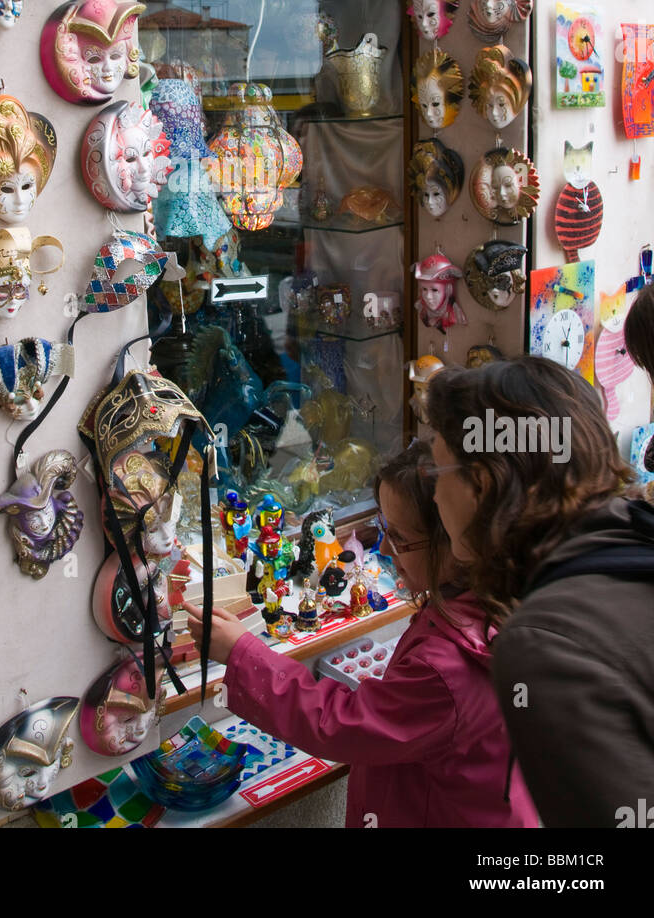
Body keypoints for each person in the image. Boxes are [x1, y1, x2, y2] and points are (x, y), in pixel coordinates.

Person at [182, 442, 536, 828]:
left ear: (457, 542)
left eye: (399, 537)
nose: (383, 547)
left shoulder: (447, 671)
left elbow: (341, 723)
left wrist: (241, 654)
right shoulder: (494, 603)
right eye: (382, 529)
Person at [426, 355, 654, 828]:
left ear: (482, 486)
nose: (433, 496)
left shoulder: (548, 645)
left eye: (438, 472)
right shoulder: (636, 539)